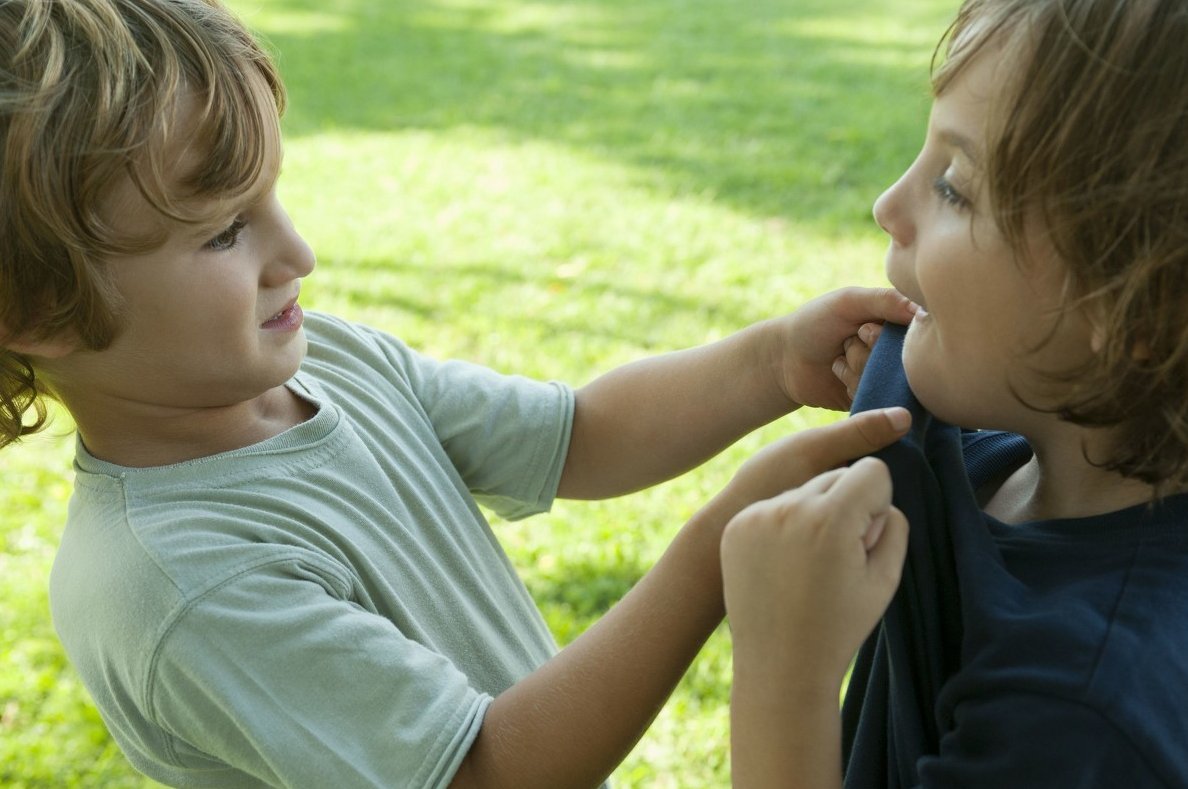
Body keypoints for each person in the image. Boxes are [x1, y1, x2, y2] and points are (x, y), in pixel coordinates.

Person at [0, 0, 917, 786]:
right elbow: (485, 770)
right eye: (224, 231)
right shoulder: (179, 582)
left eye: (273, 194)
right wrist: (713, 549)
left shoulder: (331, 362)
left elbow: (580, 434)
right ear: (41, 307)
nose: (297, 254)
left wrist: (768, 365)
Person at [719, 0, 1188, 786]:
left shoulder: (1080, 713)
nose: (888, 207)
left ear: (1138, 308)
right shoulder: (958, 435)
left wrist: (783, 675)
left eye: (955, 187)